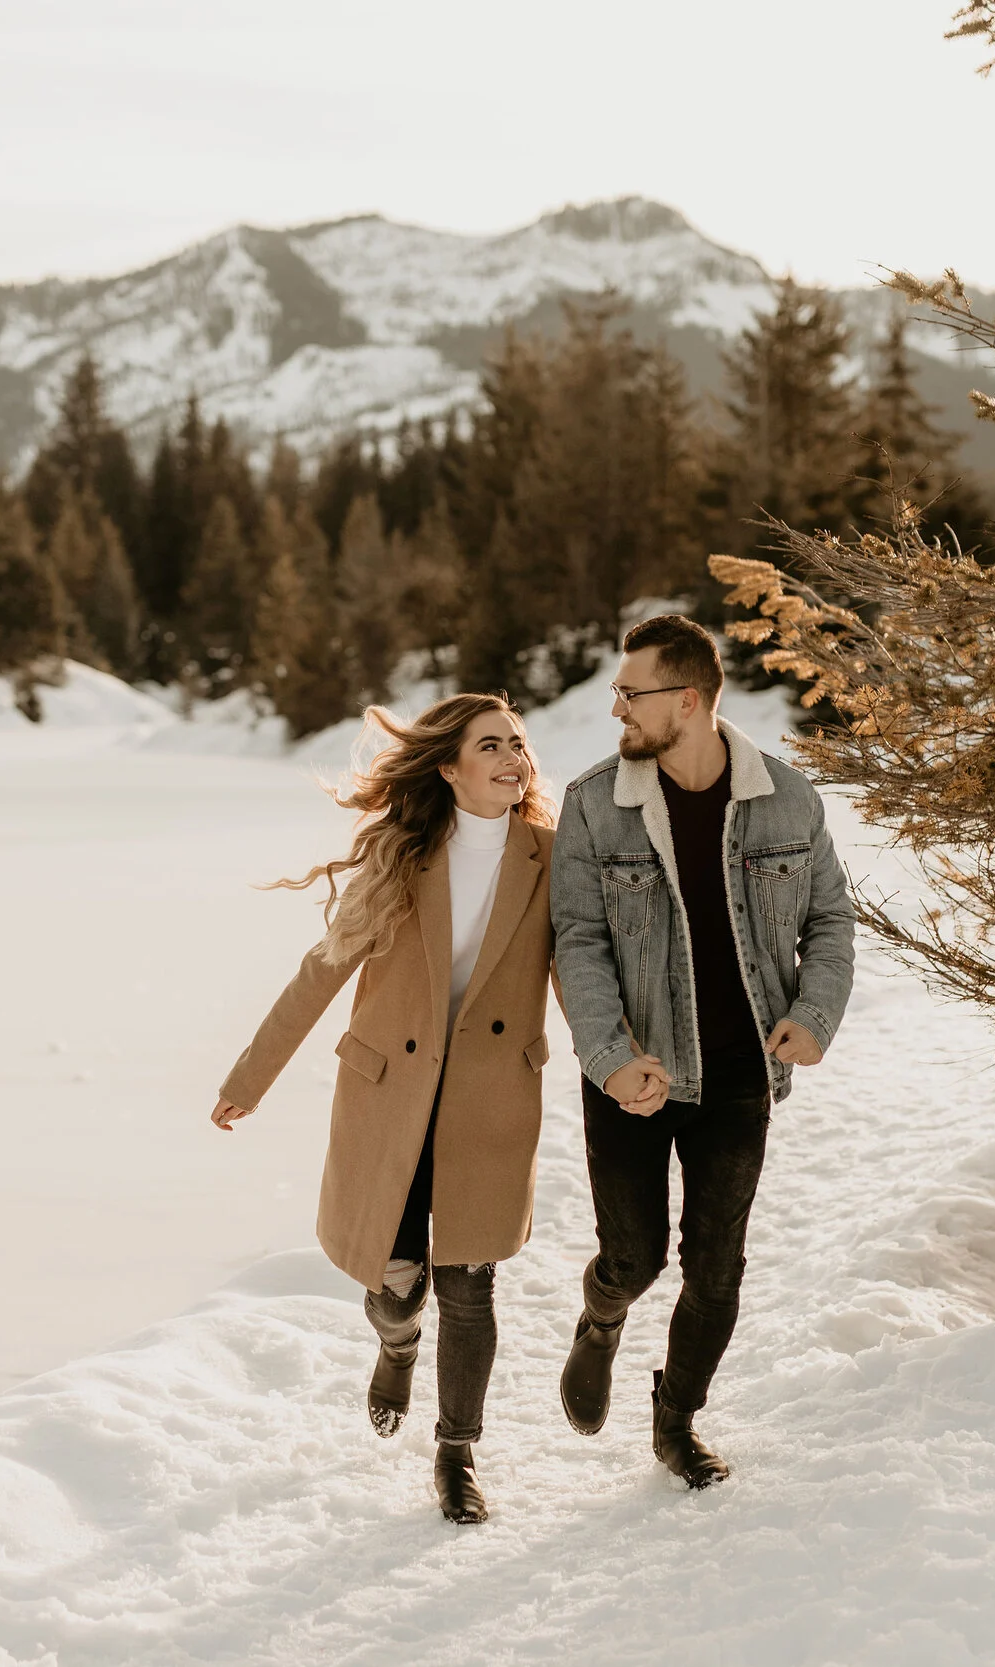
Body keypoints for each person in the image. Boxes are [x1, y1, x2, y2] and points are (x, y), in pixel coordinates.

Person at [211, 694, 556, 1525]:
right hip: (391, 1094)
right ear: (449, 767)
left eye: (519, 743)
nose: (514, 758)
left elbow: (580, 971)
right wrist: (249, 1078)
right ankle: (396, 1343)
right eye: (491, 746)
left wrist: (623, 1071)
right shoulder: (404, 856)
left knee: (470, 1287)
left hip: (490, 1098)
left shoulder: (553, 855)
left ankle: (456, 1453)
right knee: (399, 1285)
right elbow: (321, 970)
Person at [548, 614, 857, 1486]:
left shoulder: (787, 798)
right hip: (634, 1076)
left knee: (715, 1270)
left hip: (739, 1076)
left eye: (631, 691)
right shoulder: (592, 805)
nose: (617, 708)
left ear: (688, 700)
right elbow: (577, 944)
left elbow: (832, 918)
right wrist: (610, 1057)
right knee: (634, 1258)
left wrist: (815, 1012)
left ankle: (676, 1419)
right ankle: (602, 1316)